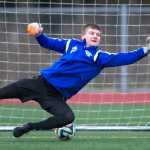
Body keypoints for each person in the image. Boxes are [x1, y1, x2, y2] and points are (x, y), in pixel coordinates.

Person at [0, 23, 150, 138]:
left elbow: (124, 58)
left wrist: (146, 49)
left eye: (98, 34)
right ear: (83, 36)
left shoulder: (99, 57)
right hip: (39, 83)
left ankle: (30, 127)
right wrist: (39, 34)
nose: (95, 36)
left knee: (68, 117)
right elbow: (47, 43)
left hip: (55, 97)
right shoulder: (72, 44)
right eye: (92, 33)